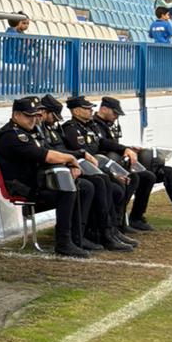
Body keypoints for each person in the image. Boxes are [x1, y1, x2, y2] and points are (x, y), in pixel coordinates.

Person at [0, 96, 88, 258]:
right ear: (16, 115)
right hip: (23, 186)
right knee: (67, 191)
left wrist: (71, 160)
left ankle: (79, 237)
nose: (33, 119)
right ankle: (63, 242)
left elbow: (52, 151)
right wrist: (71, 159)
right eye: (29, 116)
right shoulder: (10, 135)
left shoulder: (31, 131)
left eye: (36, 115)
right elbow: (45, 156)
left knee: (85, 186)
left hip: (39, 180)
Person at [94, 96, 172, 231]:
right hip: (109, 168)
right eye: (115, 113)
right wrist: (124, 149)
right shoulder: (93, 125)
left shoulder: (108, 125)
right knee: (146, 176)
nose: (116, 117)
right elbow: (101, 145)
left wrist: (130, 148)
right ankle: (126, 219)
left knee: (167, 171)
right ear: (104, 109)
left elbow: (111, 145)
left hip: (121, 163)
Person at [40, 95, 134, 251]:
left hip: (71, 168)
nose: (91, 111)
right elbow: (53, 152)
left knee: (111, 181)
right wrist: (79, 156)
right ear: (76, 111)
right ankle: (95, 233)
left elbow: (96, 144)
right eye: (87, 108)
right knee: (96, 183)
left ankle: (109, 230)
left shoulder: (74, 127)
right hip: (56, 174)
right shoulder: (68, 128)